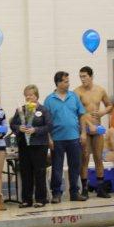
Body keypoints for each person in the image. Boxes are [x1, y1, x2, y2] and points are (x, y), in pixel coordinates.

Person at [44, 71, 88, 203]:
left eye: (68, 81)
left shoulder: (74, 96)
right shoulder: (49, 100)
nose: (68, 83)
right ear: (58, 83)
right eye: (65, 81)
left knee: (75, 166)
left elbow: (82, 115)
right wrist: (49, 138)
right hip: (57, 139)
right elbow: (45, 122)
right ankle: (56, 194)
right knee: (57, 168)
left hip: (74, 137)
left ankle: (74, 192)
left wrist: (84, 133)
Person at [10, 84, 51, 208]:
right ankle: (27, 200)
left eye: (31, 95)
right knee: (26, 172)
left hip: (39, 145)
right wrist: (19, 128)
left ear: (36, 96)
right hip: (24, 145)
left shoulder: (43, 110)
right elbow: (12, 124)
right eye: (26, 95)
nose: (29, 97)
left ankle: (41, 199)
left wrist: (35, 130)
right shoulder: (20, 110)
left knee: (39, 172)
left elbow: (49, 126)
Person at [74, 66, 113, 198]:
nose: (82, 79)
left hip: (97, 128)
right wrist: (86, 128)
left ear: (91, 76)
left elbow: (109, 105)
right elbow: (79, 112)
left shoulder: (100, 90)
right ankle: (85, 188)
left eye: (84, 76)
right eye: (81, 77)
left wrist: (103, 112)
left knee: (98, 157)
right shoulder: (77, 92)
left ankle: (100, 188)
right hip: (85, 128)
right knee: (84, 158)